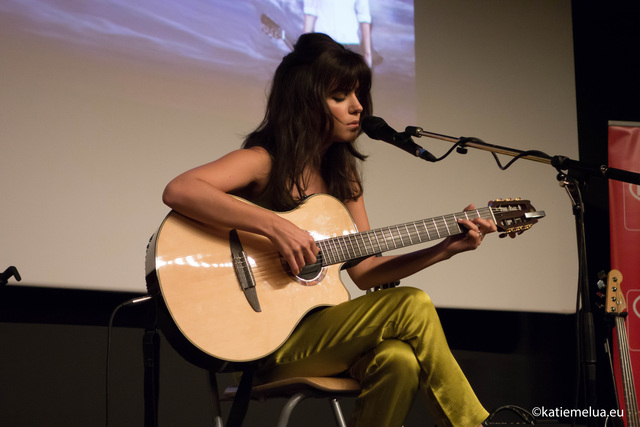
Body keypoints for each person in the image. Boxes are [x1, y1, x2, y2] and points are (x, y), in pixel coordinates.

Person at [162, 33, 495, 427]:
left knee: (399, 361)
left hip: (323, 336)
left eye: (359, 95)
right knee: (412, 303)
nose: (358, 108)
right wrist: (274, 226)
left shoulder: (344, 180)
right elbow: (180, 189)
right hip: (263, 344)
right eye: (340, 96)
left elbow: (365, 271)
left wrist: (444, 249)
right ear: (306, 99)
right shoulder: (263, 161)